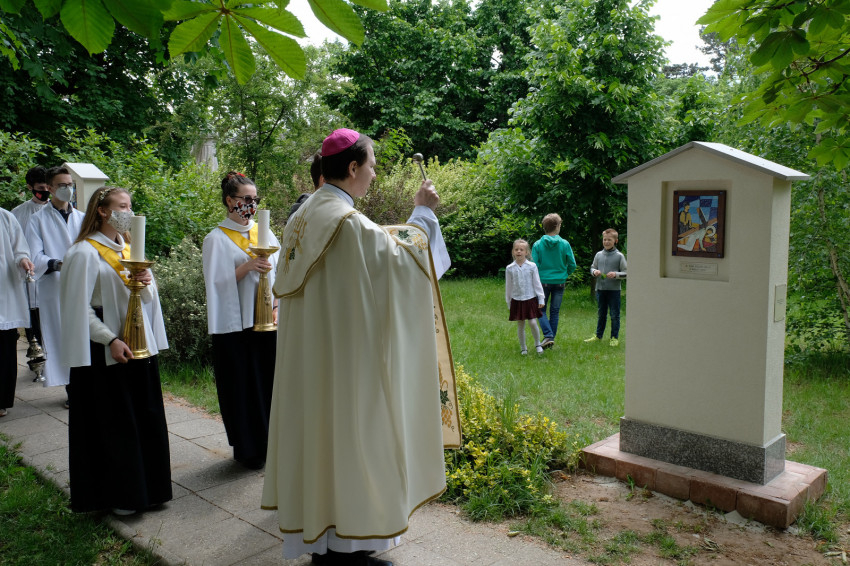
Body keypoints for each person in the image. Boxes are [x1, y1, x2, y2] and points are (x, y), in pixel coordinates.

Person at [261, 129, 451, 566]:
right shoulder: (346, 222)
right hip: (348, 365)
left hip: (313, 364)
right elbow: (403, 265)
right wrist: (423, 212)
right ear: (352, 168)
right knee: (353, 441)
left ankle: (325, 543)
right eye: (372, 166)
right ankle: (349, 548)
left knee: (320, 443)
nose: (374, 175)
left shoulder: (304, 216)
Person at [59, 186, 171, 514]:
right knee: (116, 425)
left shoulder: (130, 249)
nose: (129, 212)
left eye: (130, 206)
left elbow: (146, 301)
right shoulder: (84, 252)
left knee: (145, 418)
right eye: (122, 206)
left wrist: (146, 282)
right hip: (106, 351)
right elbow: (76, 308)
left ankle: (150, 491)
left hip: (138, 345)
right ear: (102, 211)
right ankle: (122, 496)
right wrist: (109, 339)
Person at [202, 171, 280, 469]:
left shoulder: (265, 233)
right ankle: (249, 449)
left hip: (267, 321)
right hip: (236, 326)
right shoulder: (216, 239)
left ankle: (275, 443)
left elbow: (280, 272)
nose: (252, 205)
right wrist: (246, 267)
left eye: (255, 199)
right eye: (246, 199)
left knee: (270, 383)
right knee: (243, 387)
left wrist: (277, 305)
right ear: (229, 201)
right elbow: (215, 285)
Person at [25, 166, 84, 407]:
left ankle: (87, 387)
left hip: (82, 286)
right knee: (62, 338)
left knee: (84, 336)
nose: (67, 189)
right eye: (62, 185)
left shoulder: (82, 218)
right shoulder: (37, 220)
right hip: (55, 287)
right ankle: (72, 390)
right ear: (50, 188)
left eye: (70, 185)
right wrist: (57, 264)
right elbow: (34, 255)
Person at [12, 166, 50, 363]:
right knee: (33, 319)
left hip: (52, 273)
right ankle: (37, 358)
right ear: (30, 187)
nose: (45, 191)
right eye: (40, 188)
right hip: (29, 275)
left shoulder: (58, 210)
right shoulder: (17, 214)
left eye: (47, 187)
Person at [0, 209, 35, 417]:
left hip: (3, 292)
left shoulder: (5, 217)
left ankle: (2, 400)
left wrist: (23, 260)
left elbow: (19, 249)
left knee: (4, 347)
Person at [532, 213, 577, 349]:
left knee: (540, 310)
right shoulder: (565, 244)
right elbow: (572, 264)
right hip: (560, 282)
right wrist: (564, 274)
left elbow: (534, 266)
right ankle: (550, 339)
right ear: (557, 226)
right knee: (555, 311)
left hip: (543, 282)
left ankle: (548, 336)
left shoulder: (537, 245)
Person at [585, 228, 627, 347]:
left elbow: (626, 273)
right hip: (600, 290)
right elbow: (592, 268)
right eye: (604, 239)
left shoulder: (619, 256)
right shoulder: (598, 255)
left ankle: (614, 338)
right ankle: (598, 336)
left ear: (615, 241)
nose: (606, 242)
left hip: (614, 291)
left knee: (614, 315)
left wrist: (616, 274)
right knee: (601, 314)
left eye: (609, 240)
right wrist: (595, 272)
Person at [505, 239, 545, 355]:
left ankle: (538, 344)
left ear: (526, 252)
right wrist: (509, 301)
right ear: (513, 252)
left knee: (533, 322)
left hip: (530, 299)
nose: (519, 252)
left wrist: (541, 298)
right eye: (516, 249)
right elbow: (508, 286)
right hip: (517, 300)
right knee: (520, 324)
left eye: (521, 250)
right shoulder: (510, 268)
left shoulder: (532, 266)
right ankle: (523, 348)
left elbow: (537, 283)